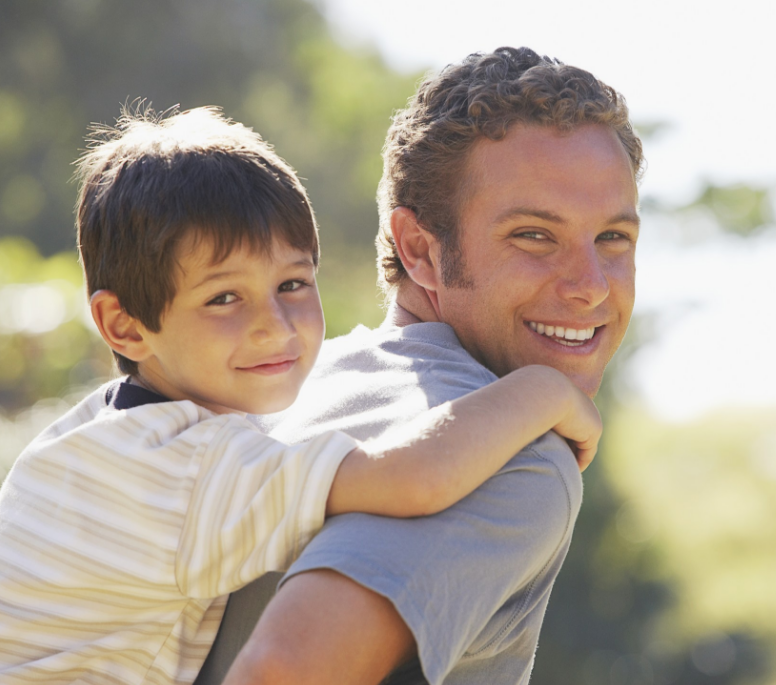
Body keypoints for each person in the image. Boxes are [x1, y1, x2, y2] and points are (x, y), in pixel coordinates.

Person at [0, 105, 602, 685]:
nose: (274, 325)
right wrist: (543, 392)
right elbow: (412, 477)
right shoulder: (187, 473)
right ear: (124, 324)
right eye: (223, 298)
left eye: (291, 283)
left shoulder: (96, 432)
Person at [208, 46, 644, 685]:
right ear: (420, 250)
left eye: (613, 238)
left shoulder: (287, 390)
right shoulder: (508, 459)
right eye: (533, 236)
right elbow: (281, 671)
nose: (591, 287)